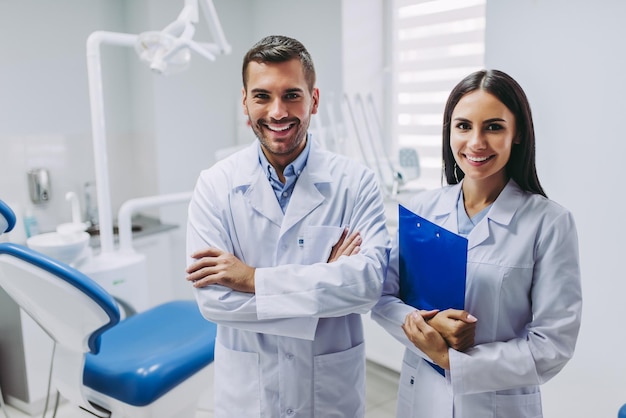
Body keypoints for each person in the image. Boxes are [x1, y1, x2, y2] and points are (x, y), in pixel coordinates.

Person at [185, 35, 391, 418]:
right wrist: (329, 279)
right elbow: (215, 302)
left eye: (292, 95)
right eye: (262, 96)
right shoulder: (214, 185)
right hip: (250, 394)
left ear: (313, 100)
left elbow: (367, 288)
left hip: (329, 394)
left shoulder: (356, 182)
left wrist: (251, 279)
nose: (277, 112)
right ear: (244, 102)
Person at [371, 69, 582, 418]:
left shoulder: (549, 223)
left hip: (497, 405)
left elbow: (552, 346)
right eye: (464, 126)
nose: (476, 142)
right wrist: (425, 325)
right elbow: (382, 297)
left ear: (518, 134)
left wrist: (448, 358)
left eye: (494, 127)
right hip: (420, 397)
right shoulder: (424, 209)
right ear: (449, 132)